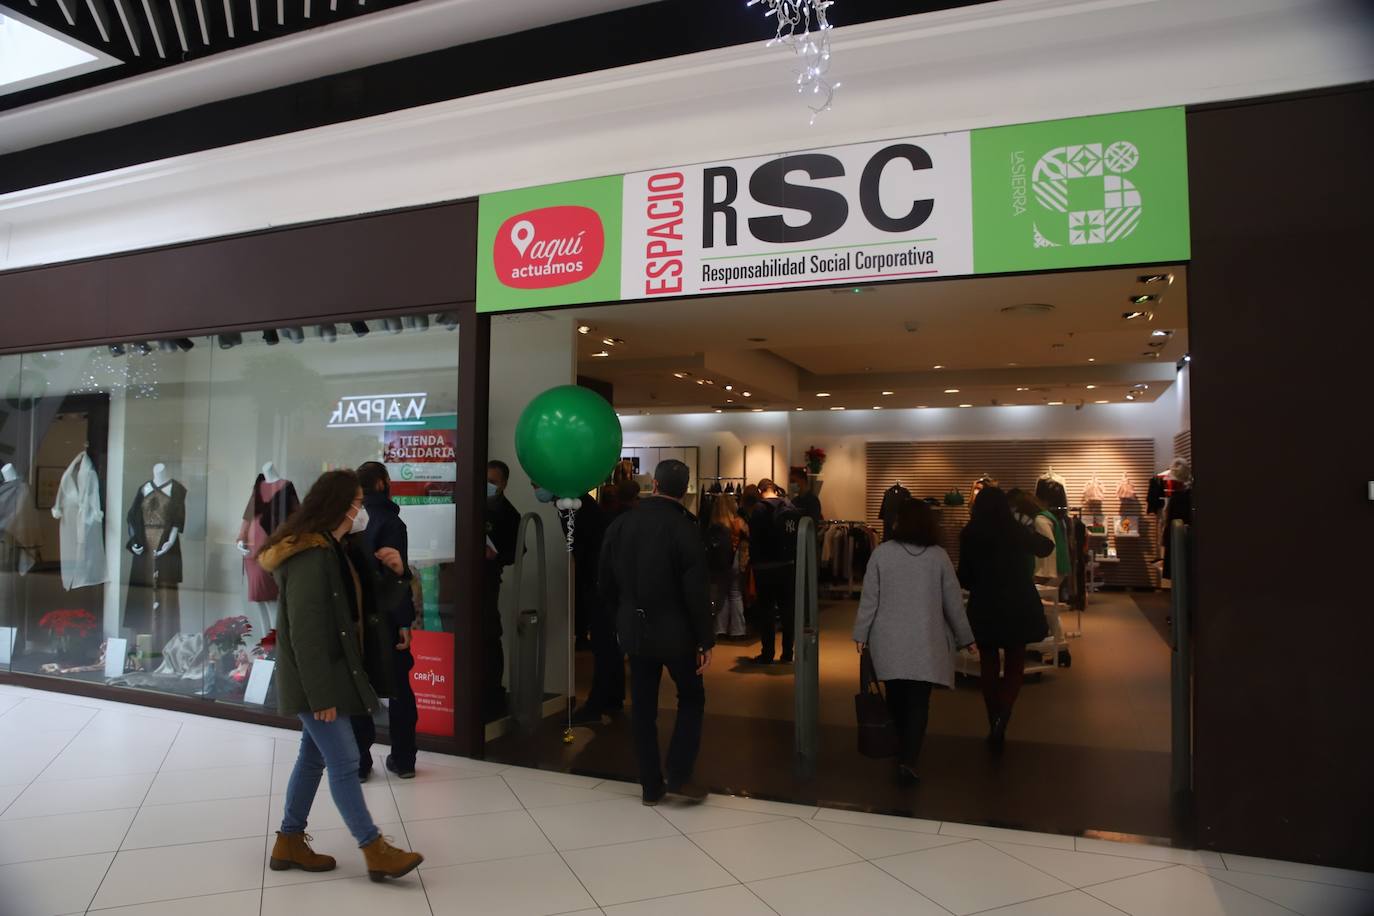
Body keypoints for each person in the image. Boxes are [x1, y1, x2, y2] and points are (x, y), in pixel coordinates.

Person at [257, 469, 424, 881]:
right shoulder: (311, 557)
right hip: (319, 678)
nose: (362, 508)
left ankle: (290, 841)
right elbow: (307, 633)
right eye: (358, 501)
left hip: (338, 671)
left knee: (312, 757)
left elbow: (370, 605)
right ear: (342, 505)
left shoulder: (340, 548)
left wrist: (398, 570)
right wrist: (320, 697)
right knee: (346, 761)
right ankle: (374, 848)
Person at [599, 459, 713, 805]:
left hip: (635, 629)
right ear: (684, 488)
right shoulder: (685, 529)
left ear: (655, 485)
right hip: (677, 632)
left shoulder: (621, 524)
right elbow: (696, 591)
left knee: (643, 707)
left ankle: (650, 784)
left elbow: (605, 583)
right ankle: (679, 773)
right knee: (691, 697)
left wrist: (619, 620)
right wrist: (705, 639)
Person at [853, 500, 975, 783]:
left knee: (895, 696)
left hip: (889, 640)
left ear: (898, 522)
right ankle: (909, 759)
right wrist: (965, 637)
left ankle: (899, 749)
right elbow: (953, 603)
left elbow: (870, 598)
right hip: (926, 641)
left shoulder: (882, 554)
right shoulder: (939, 557)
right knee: (920, 701)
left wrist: (861, 633)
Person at [957, 486, 1055, 753]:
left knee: (988, 664)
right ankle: (1005, 714)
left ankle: (993, 717)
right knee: (1015, 663)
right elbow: (1046, 547)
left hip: (985, 604)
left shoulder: (970, 534)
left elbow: (964, 576)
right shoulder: (1015, 531)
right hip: (1018, 603)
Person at [348, 461, 419, 781]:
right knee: (400, 689)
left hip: (357, 621)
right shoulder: (391, 522)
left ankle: (361, 763)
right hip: (387, 619)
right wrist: (405, 622)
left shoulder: (350, 520)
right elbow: (396, 575)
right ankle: (403, 760)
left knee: (359, 690)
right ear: (381, 483)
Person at [483, 460, 522, 721]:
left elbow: (514, 554)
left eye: (493, 482)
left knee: (489, 635)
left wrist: (494, 557)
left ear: (504, 484)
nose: (488, 487)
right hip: (458, 581)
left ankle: (493, 695)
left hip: (488, 581)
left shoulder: (510, 515)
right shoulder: (469, 504)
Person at [747, 482, 801, 665]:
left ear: (761, 491)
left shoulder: (759, 509)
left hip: (765, 568)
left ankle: (767, 653)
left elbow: (754, 539)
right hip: (787, 565)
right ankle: (787, 653)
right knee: (787, 611)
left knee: (767, 612)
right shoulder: (790, 507)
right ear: (775, 490)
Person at [706, 493, 748, 638]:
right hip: (735, 562)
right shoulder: (737, 522)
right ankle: (738, 630)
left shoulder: (713, 524)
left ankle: (720, 629)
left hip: (718, 564)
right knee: (735, 594)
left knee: (721, 595)